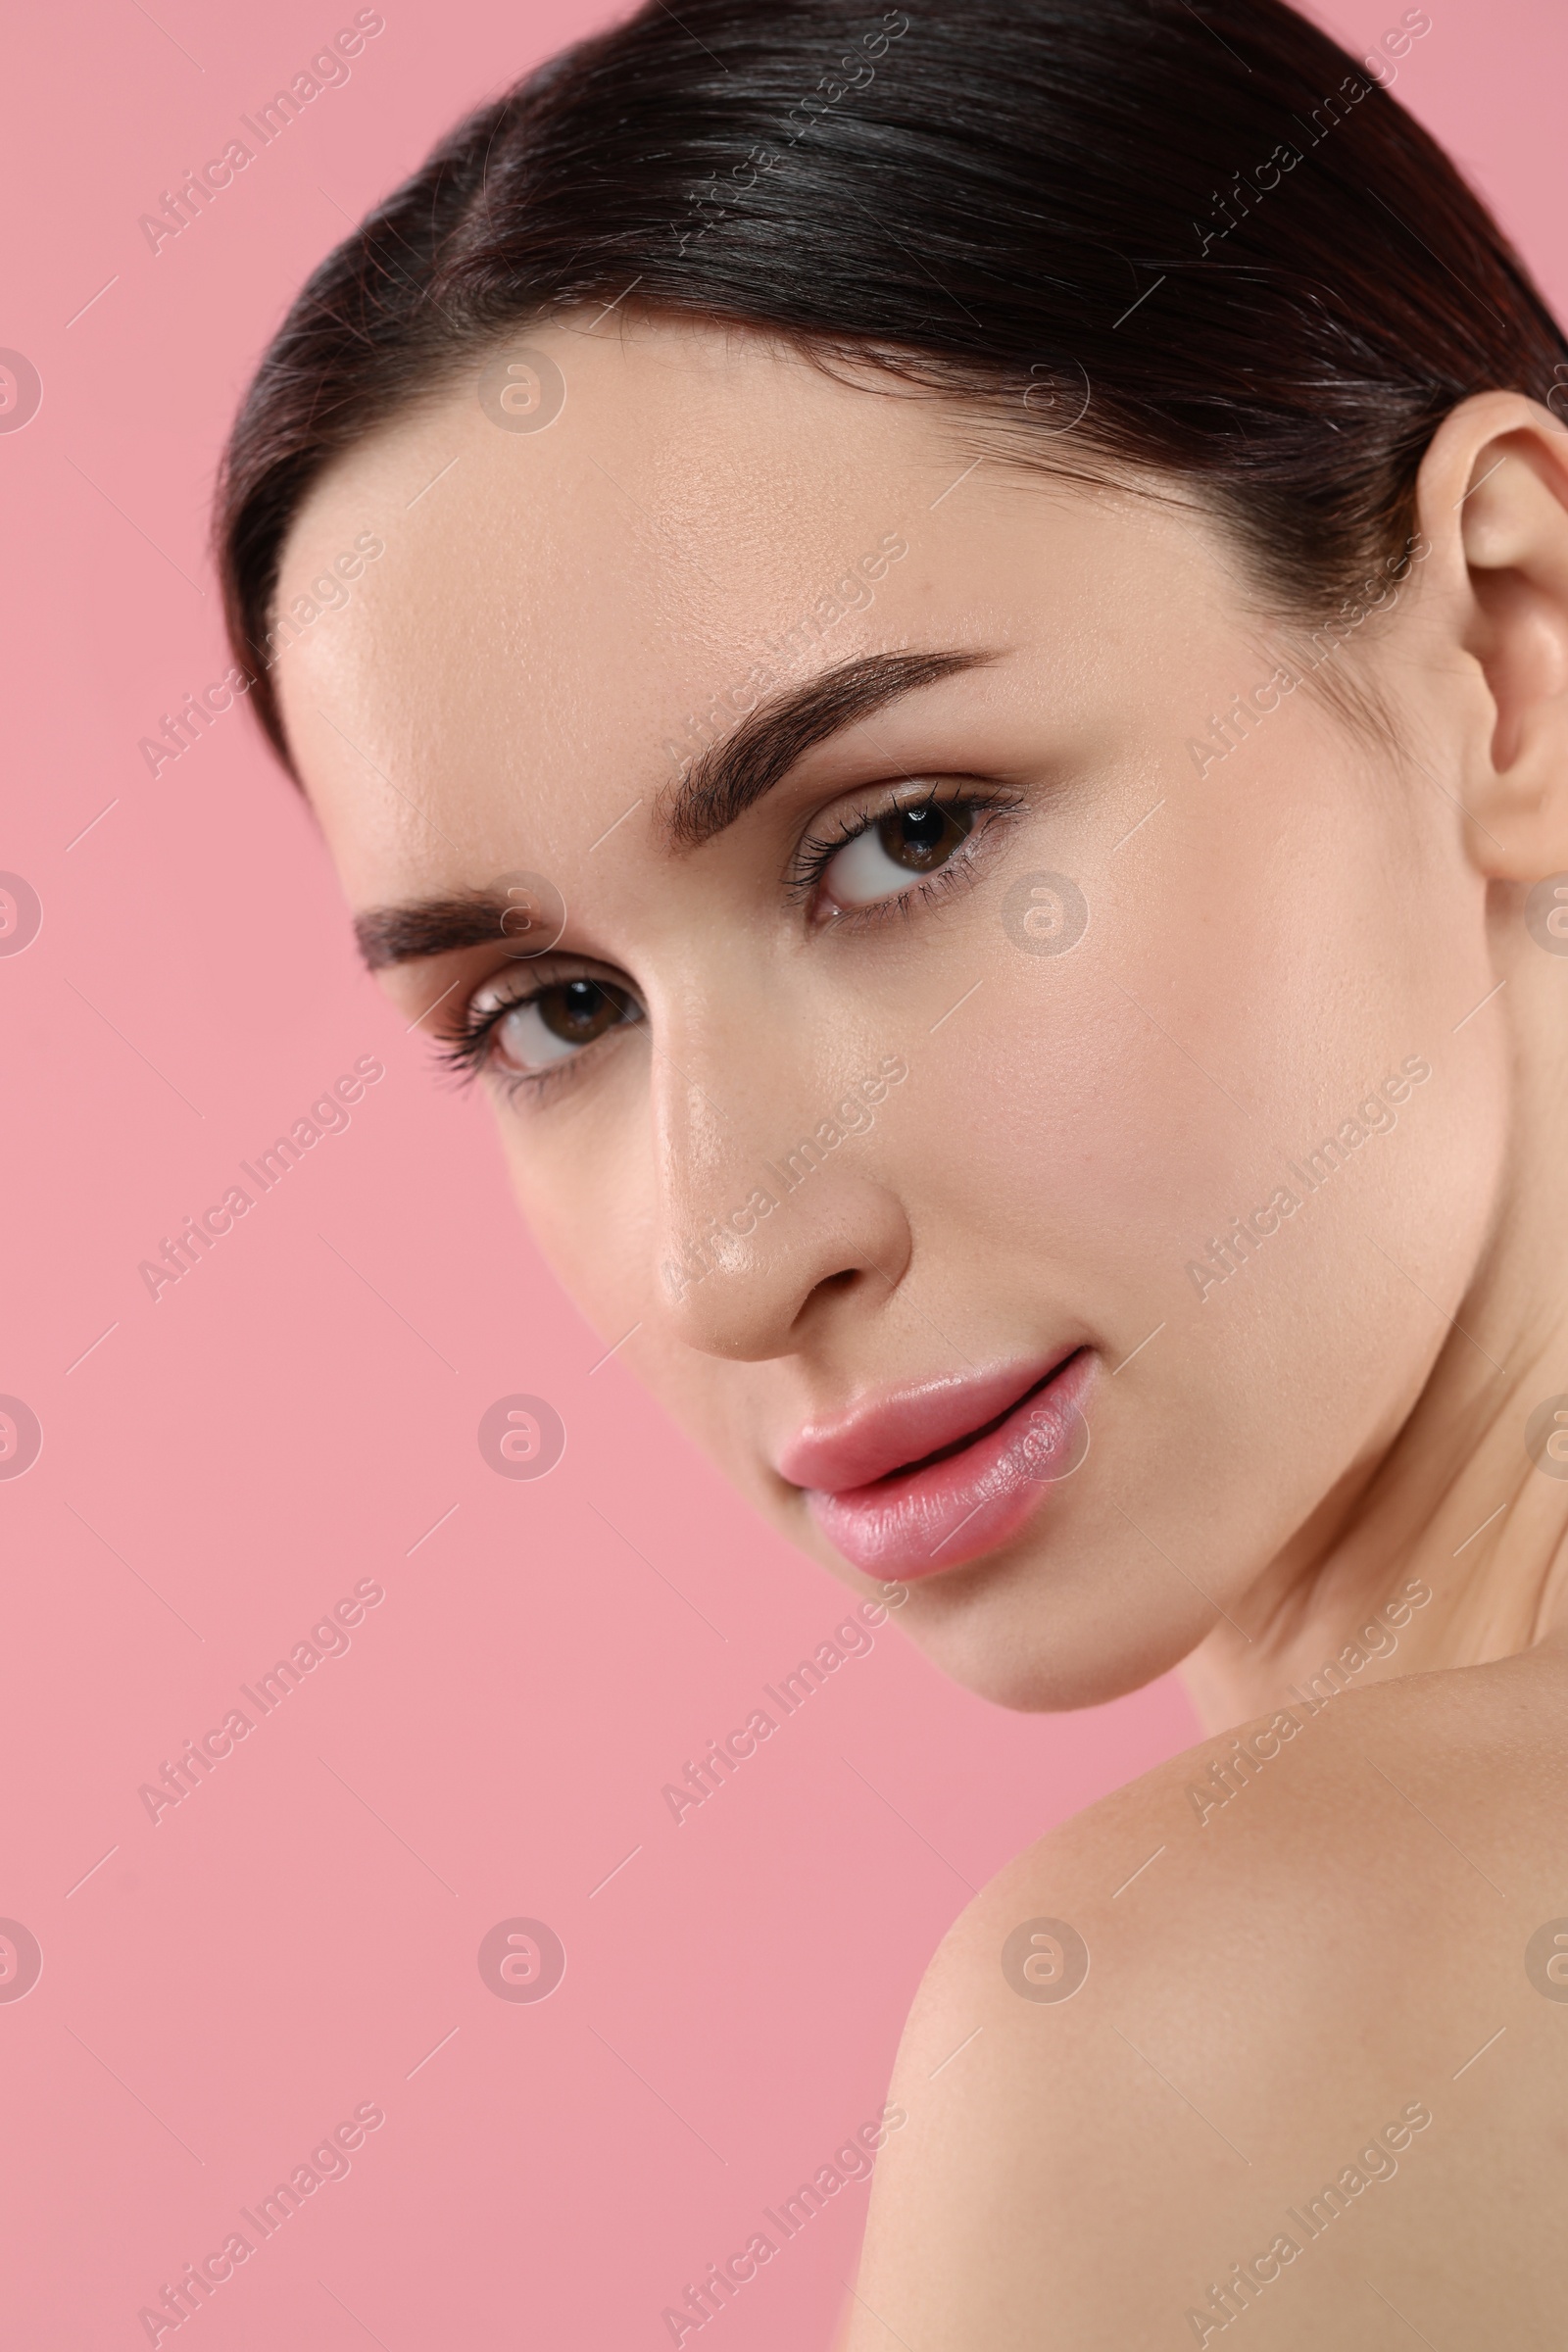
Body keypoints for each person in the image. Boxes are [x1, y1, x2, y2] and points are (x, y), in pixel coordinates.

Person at [215, 0, 1568, 2337]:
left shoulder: (1251, 2005)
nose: (736, 1247)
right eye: (548, 1010)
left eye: (903, 841)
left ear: (1503, 644)